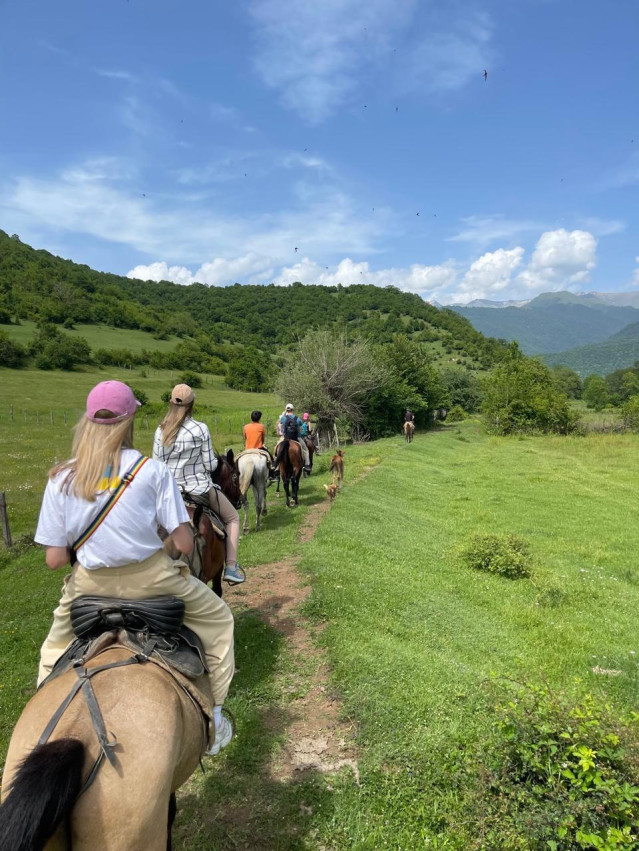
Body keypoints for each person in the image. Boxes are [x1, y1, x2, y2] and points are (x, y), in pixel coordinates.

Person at [34, 380, 235, 756]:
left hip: (88, 587)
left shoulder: (62, 477)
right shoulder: (150, 471)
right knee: (220, 621)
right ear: (129, 421)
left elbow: (54, 559)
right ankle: (217, 719)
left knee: (53, 650)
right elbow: (185, 544)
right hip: (153, 581)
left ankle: (42, 727)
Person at [153, 384, 244, 586]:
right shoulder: (200, 428)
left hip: (169, 494)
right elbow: (211, 464)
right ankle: (230, 567)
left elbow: (157, 466)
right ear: (192, 404)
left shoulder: (160, 431)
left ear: (170, 402)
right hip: (199, 490)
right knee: (233, 518)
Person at [243, 410, 277, 481]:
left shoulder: (245, 427)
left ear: (251, 417)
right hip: (258, 448)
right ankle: (272, 475)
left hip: (247, 449)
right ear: (259, 418)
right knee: (270, 458)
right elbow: (262, 439)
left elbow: (245, 438)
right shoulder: (261, 426)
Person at [277, 403, 311, 472]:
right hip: (297, 438)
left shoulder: (283, 418)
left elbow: (280, 428)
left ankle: (276, 467)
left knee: (277, 449)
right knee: (306, 450)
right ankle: (307, 465)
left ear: (286, 410)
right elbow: (301, 431)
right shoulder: (298, 419)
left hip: (285, 438)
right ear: (293, 410)